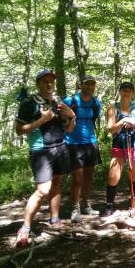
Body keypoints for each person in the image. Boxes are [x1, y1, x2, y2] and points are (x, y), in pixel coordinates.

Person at [15, 69, 76, 247]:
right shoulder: (29, 103)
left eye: (51, 81)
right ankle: (25, 228)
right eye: (45, 82)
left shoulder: (58, 102)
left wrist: (71, 115)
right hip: (40, 150)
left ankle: (54, 219)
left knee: (57, 183)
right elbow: (19, 130)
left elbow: (69, 129)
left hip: (60, 146)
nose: (49, 84)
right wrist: (41, 120)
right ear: (38, 84)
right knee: (43, 190)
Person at [101, 82, 135, 217]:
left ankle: (134, 201)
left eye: (129, 91)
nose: (126, 93)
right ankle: (109, 205)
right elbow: (110, 128)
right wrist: (123, 121)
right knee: (113, 175)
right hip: (119, 143)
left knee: (134, 172)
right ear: (120, 92)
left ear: (133, 93)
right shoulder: (113, 108)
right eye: (124, 90)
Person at [63, 75, 102, 222]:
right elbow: (61, 120)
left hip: (91, 142)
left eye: (93, 85)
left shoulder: (95, 103)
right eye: (87, 84)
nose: (90, 87)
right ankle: (75, 207)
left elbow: (95, 118)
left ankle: (85, 203)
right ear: (81, 85)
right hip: (73, 143)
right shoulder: (70, 101)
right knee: (77, 178)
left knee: (88, 176)